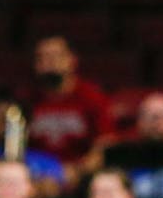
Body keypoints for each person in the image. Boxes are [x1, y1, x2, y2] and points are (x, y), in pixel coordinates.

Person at [26, 35, 114, 182]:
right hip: (36, 176)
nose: (50, 63)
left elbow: (105, 144)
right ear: (36, 65)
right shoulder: (26, 100)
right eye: (43, 58)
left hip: (80, 176)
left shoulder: (92, 97)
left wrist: (75, 173)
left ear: (72, 60)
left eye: (56, 56)